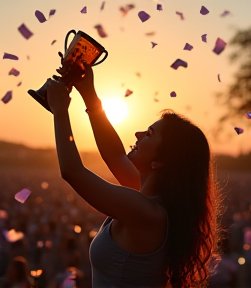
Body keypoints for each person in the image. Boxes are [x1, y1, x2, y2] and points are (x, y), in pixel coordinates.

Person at [45, 62, 222, 288]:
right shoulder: (153, 202)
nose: (138, 133)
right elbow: (115, 155)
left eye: (149, 133)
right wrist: (88, 94)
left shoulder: (147, 213)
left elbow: (73, 172)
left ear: (161, 160)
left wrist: (60, 111)